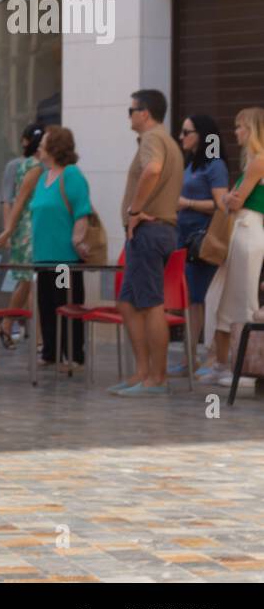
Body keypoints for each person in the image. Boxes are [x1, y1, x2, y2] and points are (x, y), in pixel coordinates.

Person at [113, 89, 183, 396]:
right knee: (128, 302)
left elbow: (153, 170)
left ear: (145, 113)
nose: (128, 116)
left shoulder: (154, 139)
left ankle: (157, 378)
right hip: (154, 232)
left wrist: (136, 210)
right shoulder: (165, 141)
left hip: (149, 232)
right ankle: (141, 372)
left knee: (151, 303)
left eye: (131, 110)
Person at [203, 108, 264, 388]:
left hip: (247, 231)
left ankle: (248, 369)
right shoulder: (252, 162)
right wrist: (230, 198)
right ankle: (223, 363)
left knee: (243, 301)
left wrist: (229, 198)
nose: (236, 132)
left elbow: (236, 201)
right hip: (241, 231)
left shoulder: (258, 162)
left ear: (252, 130)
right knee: (222, 300)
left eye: (240, 127)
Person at [28, 125, 91, 370]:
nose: (40, 147)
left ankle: (74, 355)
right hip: (43, 257)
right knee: (46, 305)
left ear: (55, 147)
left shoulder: (71, 175)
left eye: (44, 142)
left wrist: (77, 239)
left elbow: (82, 212)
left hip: (64, 259)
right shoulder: (43, 177)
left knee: (66, 304)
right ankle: (51, 352)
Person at [177, 114, 230, 380]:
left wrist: (187, 202)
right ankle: (190, 356)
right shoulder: (191, 164)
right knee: (191, 299)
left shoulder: (215, 165)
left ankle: (211, 356)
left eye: (187, 132)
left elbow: (221, 204)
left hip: (203, 240)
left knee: (203, 297)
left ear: (202, 134)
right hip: (184, 238)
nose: (181, 136)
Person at [0, 124, 45, 348]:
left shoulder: (36, 166)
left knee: (28, 282)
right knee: (33, 282)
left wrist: (9, 230)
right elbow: (10, 200)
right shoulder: (32, 167)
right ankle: (41, 339)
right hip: (30, 230)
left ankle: (8, 324)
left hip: (27, 229)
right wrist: (8, 230)